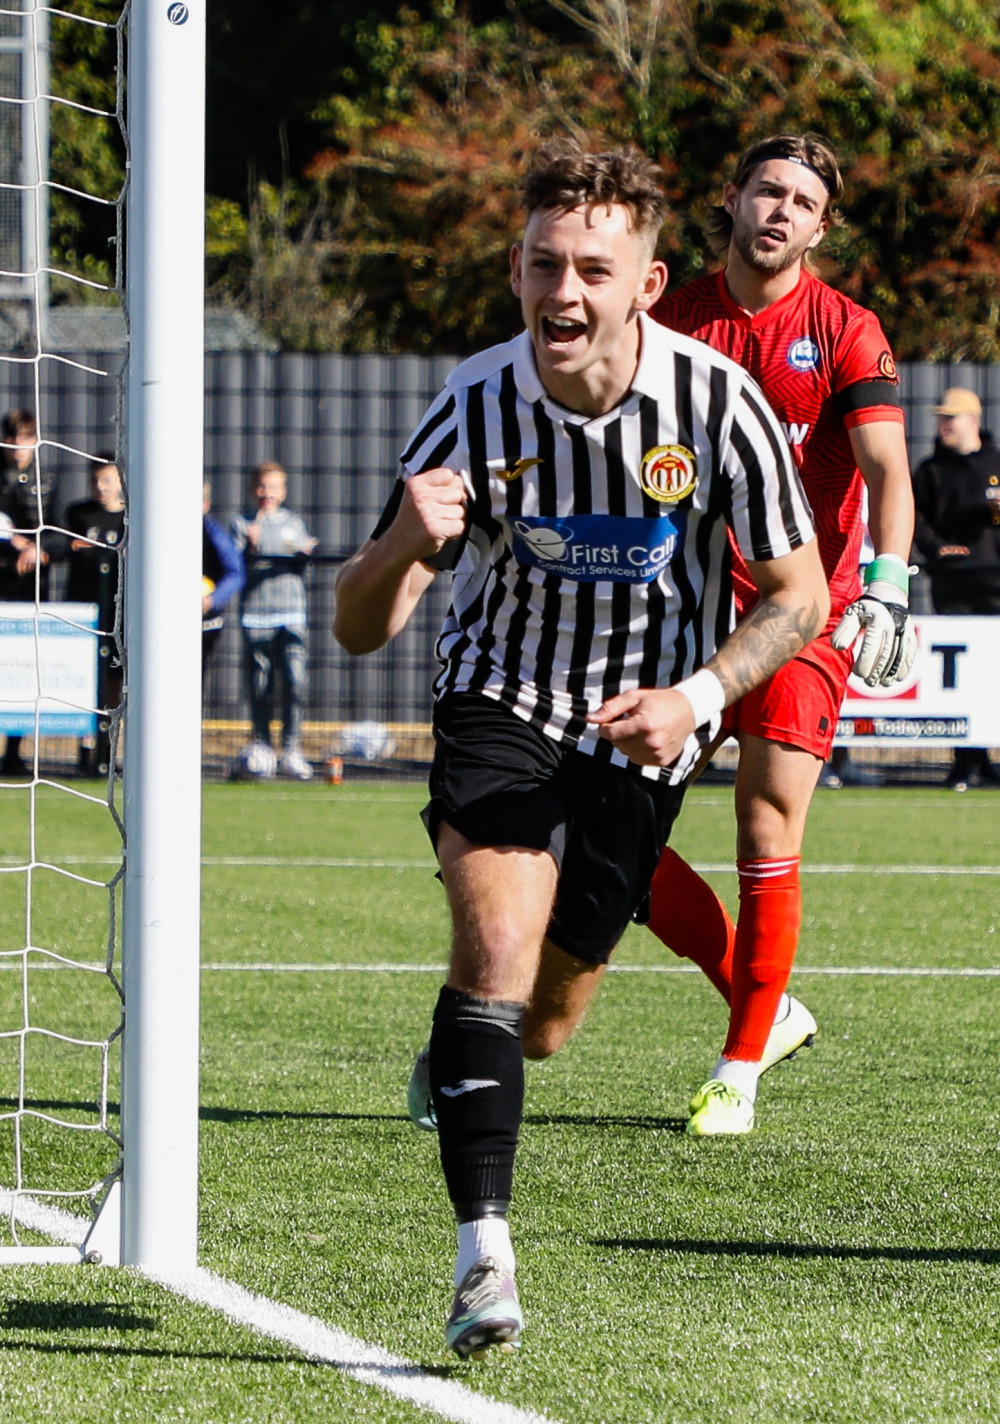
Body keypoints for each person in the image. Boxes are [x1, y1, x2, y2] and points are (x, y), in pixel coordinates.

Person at [333, 138, 829, 1358]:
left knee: (544, 1020)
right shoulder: (471, 403)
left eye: (593, 270)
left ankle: (469, 1049)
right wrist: (403, 538)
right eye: (544, 264)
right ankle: (481, 1258)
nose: (565, 292)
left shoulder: (718, 404)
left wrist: (702, 693)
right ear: (514, 270)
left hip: (645, 728)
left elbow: (798, 593)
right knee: (493, 949)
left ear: (647, 286)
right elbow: (360, 625)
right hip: (501, 697)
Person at [644, 132, 917, 1135]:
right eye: (767, 190)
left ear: (819, 225)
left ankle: (739, 1065)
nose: (780, 212)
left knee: (765, 824)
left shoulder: (845, 328)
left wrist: (885, 583)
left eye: (802, 202)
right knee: (613, 828)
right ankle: (763, 1007)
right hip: (676, 610)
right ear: (732, 196)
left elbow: (886, 470)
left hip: (803, 608)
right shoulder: (665, 319)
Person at [912, 386, 1000, 791]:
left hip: (995, 582)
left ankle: (988, 758)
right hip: (953, 585)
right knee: (959, 677)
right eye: (942, 418)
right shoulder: (930, 470)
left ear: (974, 420)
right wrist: (936, 549)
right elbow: (914, 517)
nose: (944, 425)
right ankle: (964, 761)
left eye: (952, 417)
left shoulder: (996, 464)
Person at [231, 462, 316, 780]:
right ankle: (263, 746)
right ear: (254, 489)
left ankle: (292, 748)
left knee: (295, 680)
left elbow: (299, 562)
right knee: (260, 682)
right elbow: (234, 566)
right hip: (256, 612)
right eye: (262, 487)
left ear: (284, 491)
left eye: (275, 487)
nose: (268, 493)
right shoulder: (241, 523)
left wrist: (304, 553)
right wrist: (248, 547)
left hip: (290, 611)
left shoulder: (294, 523)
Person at [0, 409, 64, 776]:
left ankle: (14, 750)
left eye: (24, 438)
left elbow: (61, 534)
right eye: (12, 438)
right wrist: (13, 543)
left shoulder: (48, 480)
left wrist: (38, 550)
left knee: (22, 671)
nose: (17, 446)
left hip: (30, 589)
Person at [64, 459, 125, 776]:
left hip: (118, 614)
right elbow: (62, 546)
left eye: (107, 480)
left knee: (115, 684)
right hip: (84, 611)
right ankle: (85, 751)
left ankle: (109, 752)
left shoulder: (131, 516)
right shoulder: (79, 514)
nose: (100, 487)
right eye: (96, 480)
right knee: (86, 682)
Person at [202, 480, 245, 669]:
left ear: (206, 504)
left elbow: (235, 573)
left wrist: (211, 600)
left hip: (206, 621)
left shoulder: (215, 534)